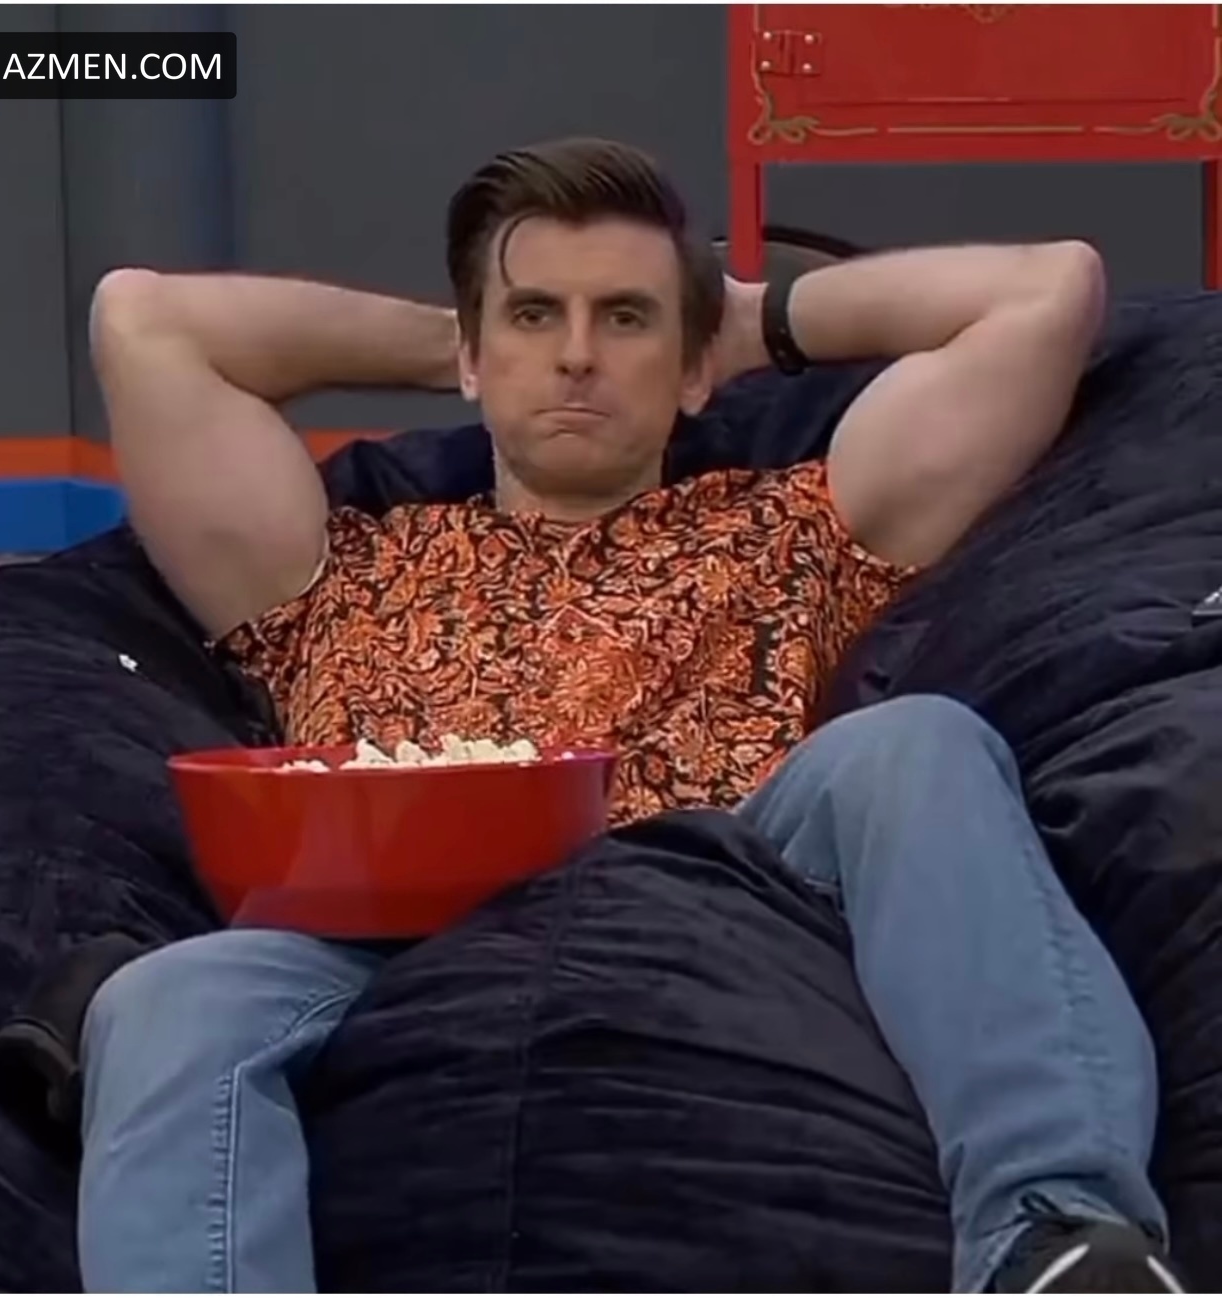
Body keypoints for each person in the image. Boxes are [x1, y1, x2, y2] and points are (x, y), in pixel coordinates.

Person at [77, 137, 1182, 1294]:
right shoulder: (333, 570)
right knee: (164, 996)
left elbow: (1049, 291)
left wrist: (742, 321)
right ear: (473, 352)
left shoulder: (789, 527)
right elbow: (143, 323)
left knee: (917, 743)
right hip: (385, 938)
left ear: (696, 367)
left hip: (707, 885)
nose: (577, 354)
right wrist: (461, 339)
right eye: (536, 315)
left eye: (625, 318)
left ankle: (1059, 1238)